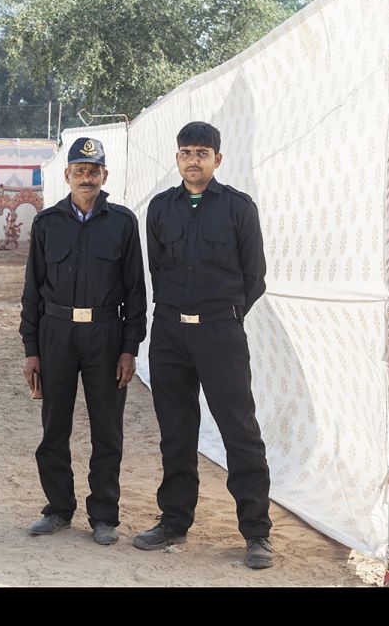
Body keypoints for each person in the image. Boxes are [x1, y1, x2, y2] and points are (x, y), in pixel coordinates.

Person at [134, 121, 273, 569]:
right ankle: (174, 521)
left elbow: (255, 278)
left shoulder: (238, 208)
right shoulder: (159, 209)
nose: (193, 159)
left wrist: (223, 316)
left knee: (240, 432)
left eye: (202, 152)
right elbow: (157, 271)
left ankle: (256, 533)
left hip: (220, 334)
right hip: (170, 335)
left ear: (218, 158)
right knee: (176, 432)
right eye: (186, 151)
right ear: (177, 158)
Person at [19, 137, 147, 546]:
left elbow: (136, 293)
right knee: (54, 427)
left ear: (104, 175)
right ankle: (57, 509)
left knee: (107, 430)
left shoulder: (124, 223)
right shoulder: (46, 223)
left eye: (94, 171)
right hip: (56, 334)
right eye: (79, 170)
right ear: (67, 175)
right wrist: (31, 350)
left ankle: (104, 516)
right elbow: (31, 293)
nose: (86, 177)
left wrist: (130, 348)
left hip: (106, 336)